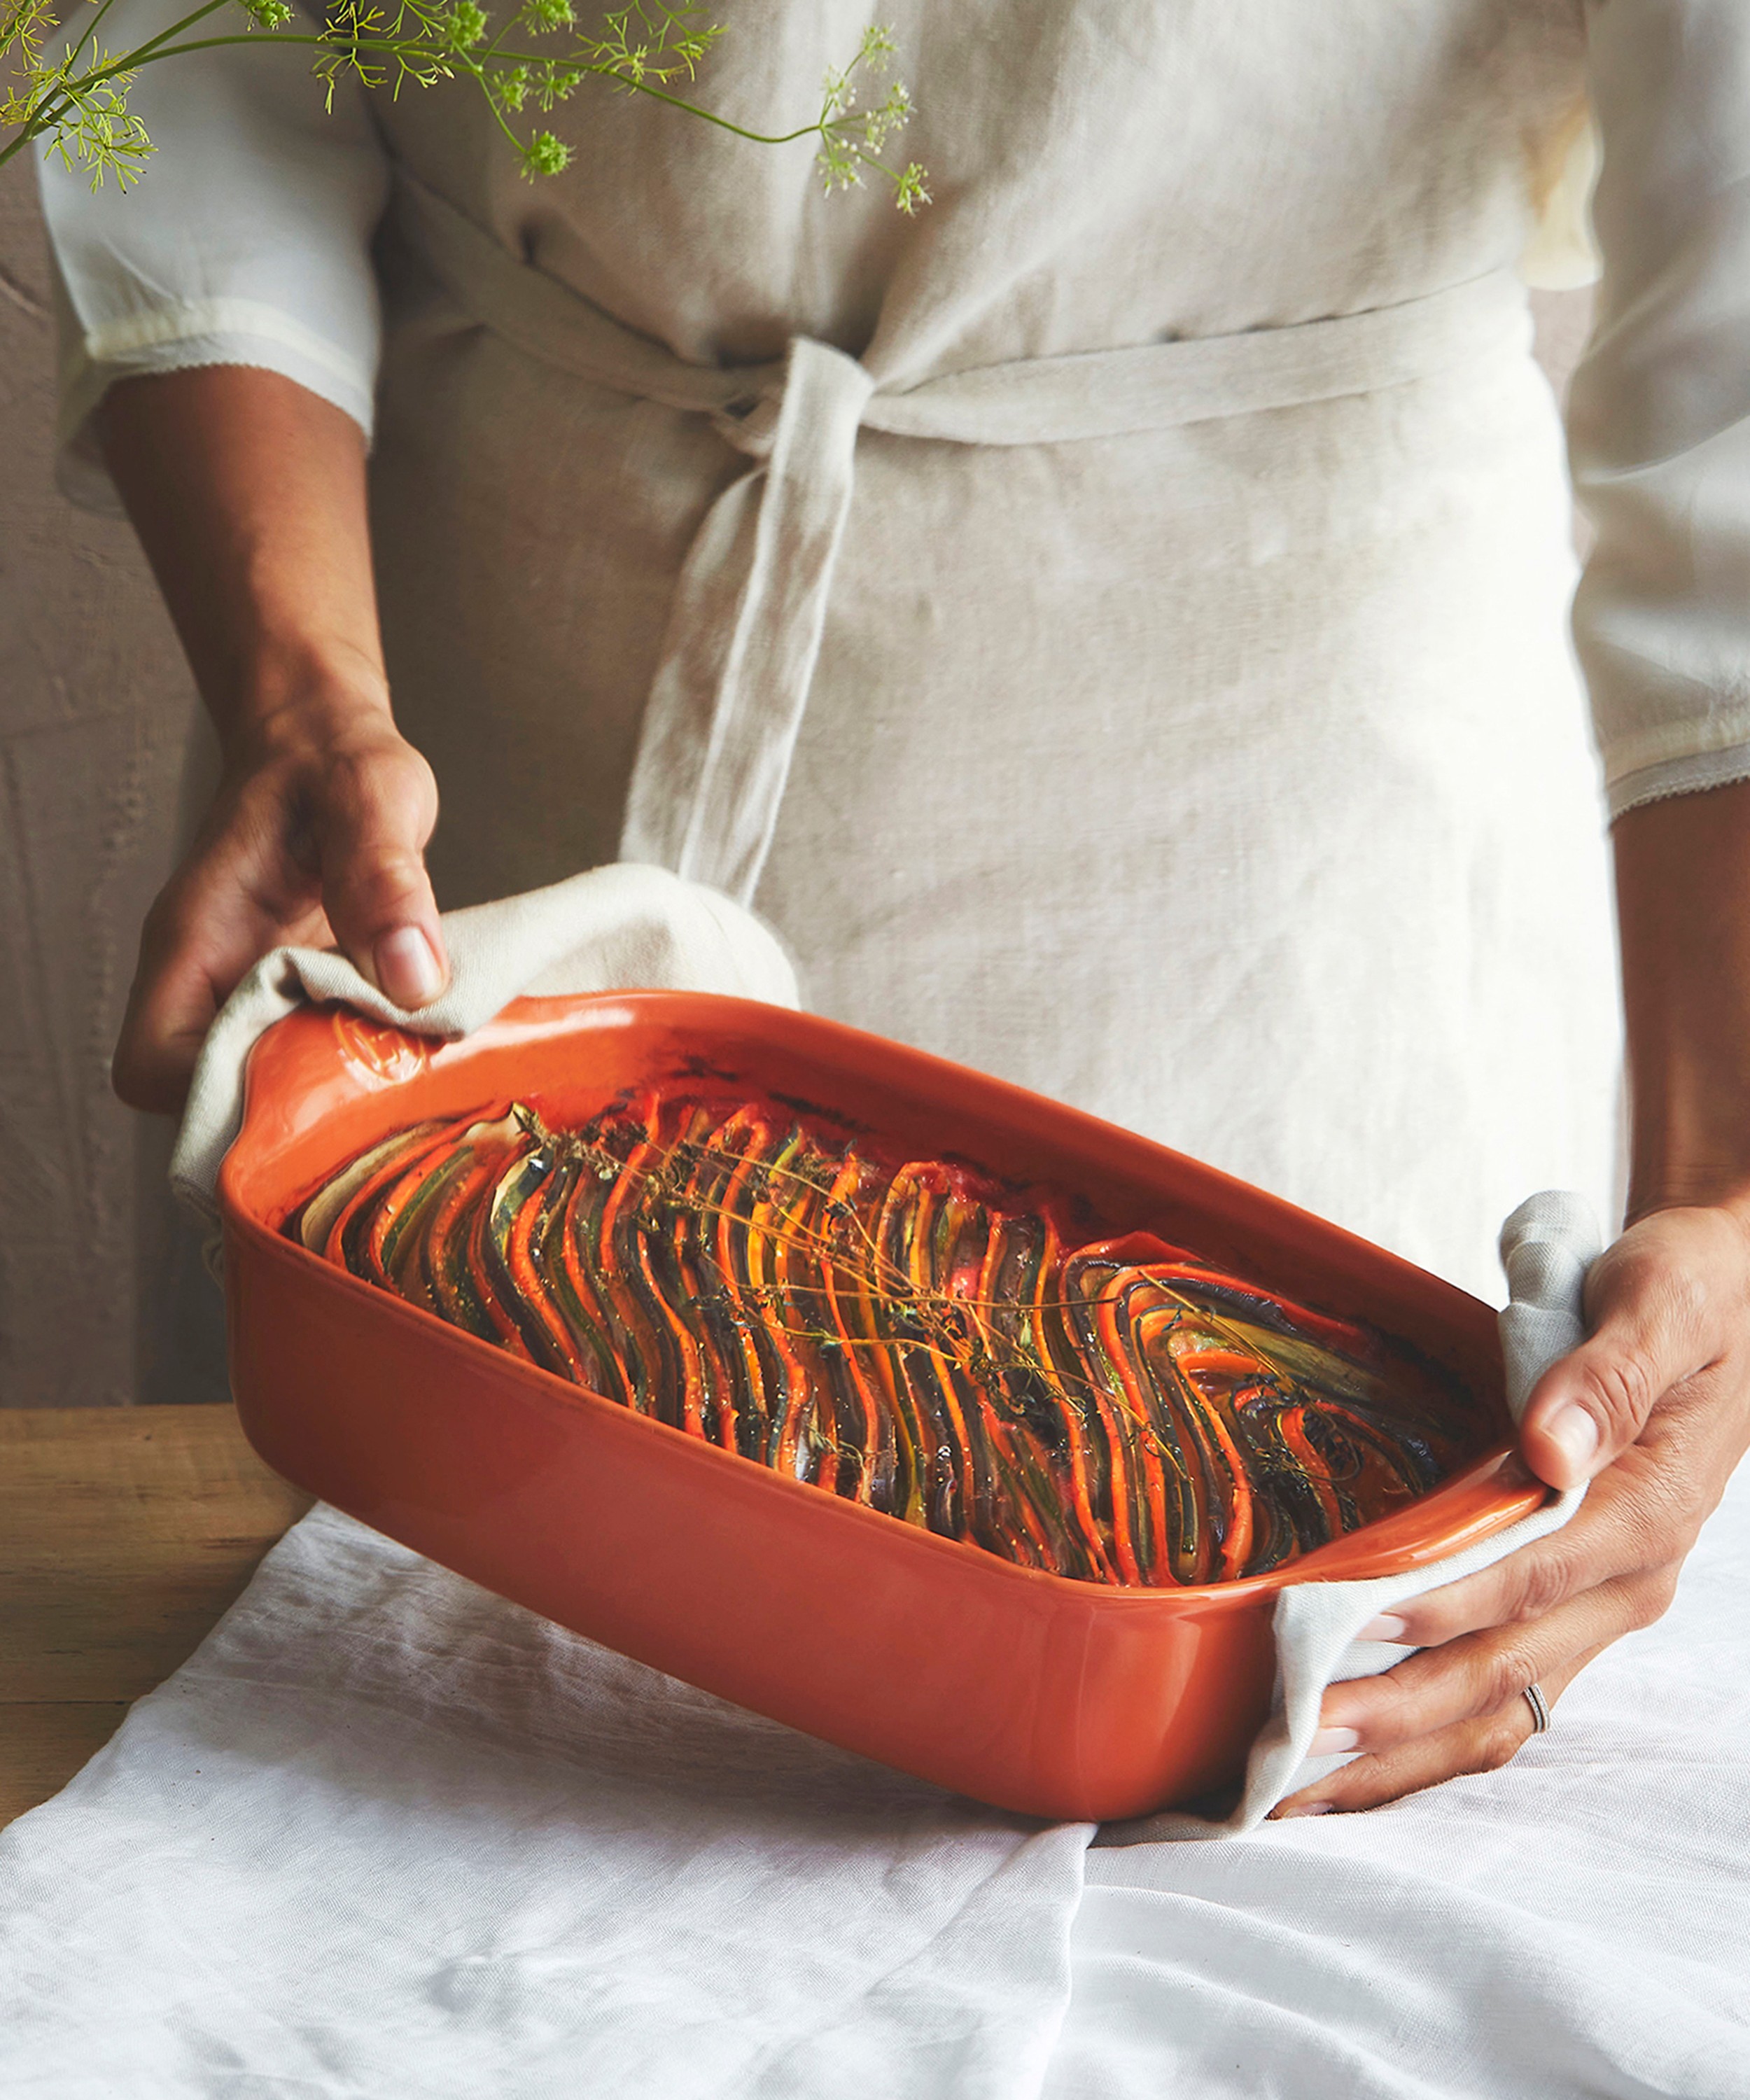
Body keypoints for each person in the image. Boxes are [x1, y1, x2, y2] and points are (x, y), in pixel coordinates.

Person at [38, 0, 1750, 1819]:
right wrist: (302, 688)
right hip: (458, 786)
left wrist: (1722, 1196)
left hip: (1293, 892)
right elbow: (184, 45)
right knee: (349, 1821)